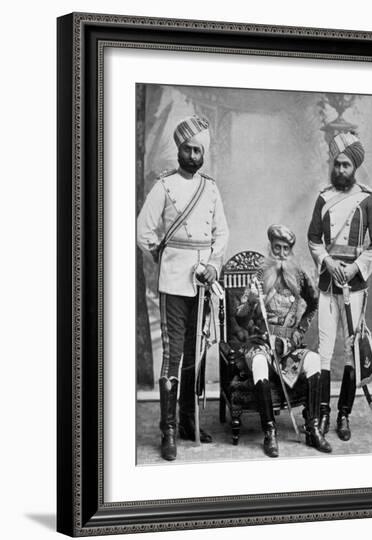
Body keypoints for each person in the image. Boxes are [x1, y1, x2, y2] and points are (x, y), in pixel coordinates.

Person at [137, 115, 229, 461]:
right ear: (179, 151)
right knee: (173, 355)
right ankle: (169, 430)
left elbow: (222, 232)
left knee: (195, 354)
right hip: (174, 281)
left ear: (203, 154)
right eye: (187, 149)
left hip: (204, 280)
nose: (192, 155)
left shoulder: (211, 188)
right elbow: (143, 231)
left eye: (197, 150)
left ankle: (189, 422)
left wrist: (214, 265)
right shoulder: (163, 187)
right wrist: (165, 255)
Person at [307, 132, 372, 441]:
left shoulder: (367, 200)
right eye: (337, 164)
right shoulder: (323, 198)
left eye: (346, 165)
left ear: (355, 167)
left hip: (354, 286)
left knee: (351, 352)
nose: (340, 170)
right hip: (328, 284)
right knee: (325, 350)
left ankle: (344, 415)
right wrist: (327, 261)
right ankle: (323, 413)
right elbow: (314, 239)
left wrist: (353, 267)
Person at [235, 224, 332, 457]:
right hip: (262, 343)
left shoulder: (299, 276)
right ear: (270, 248)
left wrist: (300, 330)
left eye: (285, 249)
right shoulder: (259, 276)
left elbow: (314, 304)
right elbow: (240, 318)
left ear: (291, 251)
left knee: (314, 361)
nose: (280, 253)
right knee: (258, 363)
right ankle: (270, 432)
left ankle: (313, 429)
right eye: (276, 247)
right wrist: (251, 303)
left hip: (288, 347)